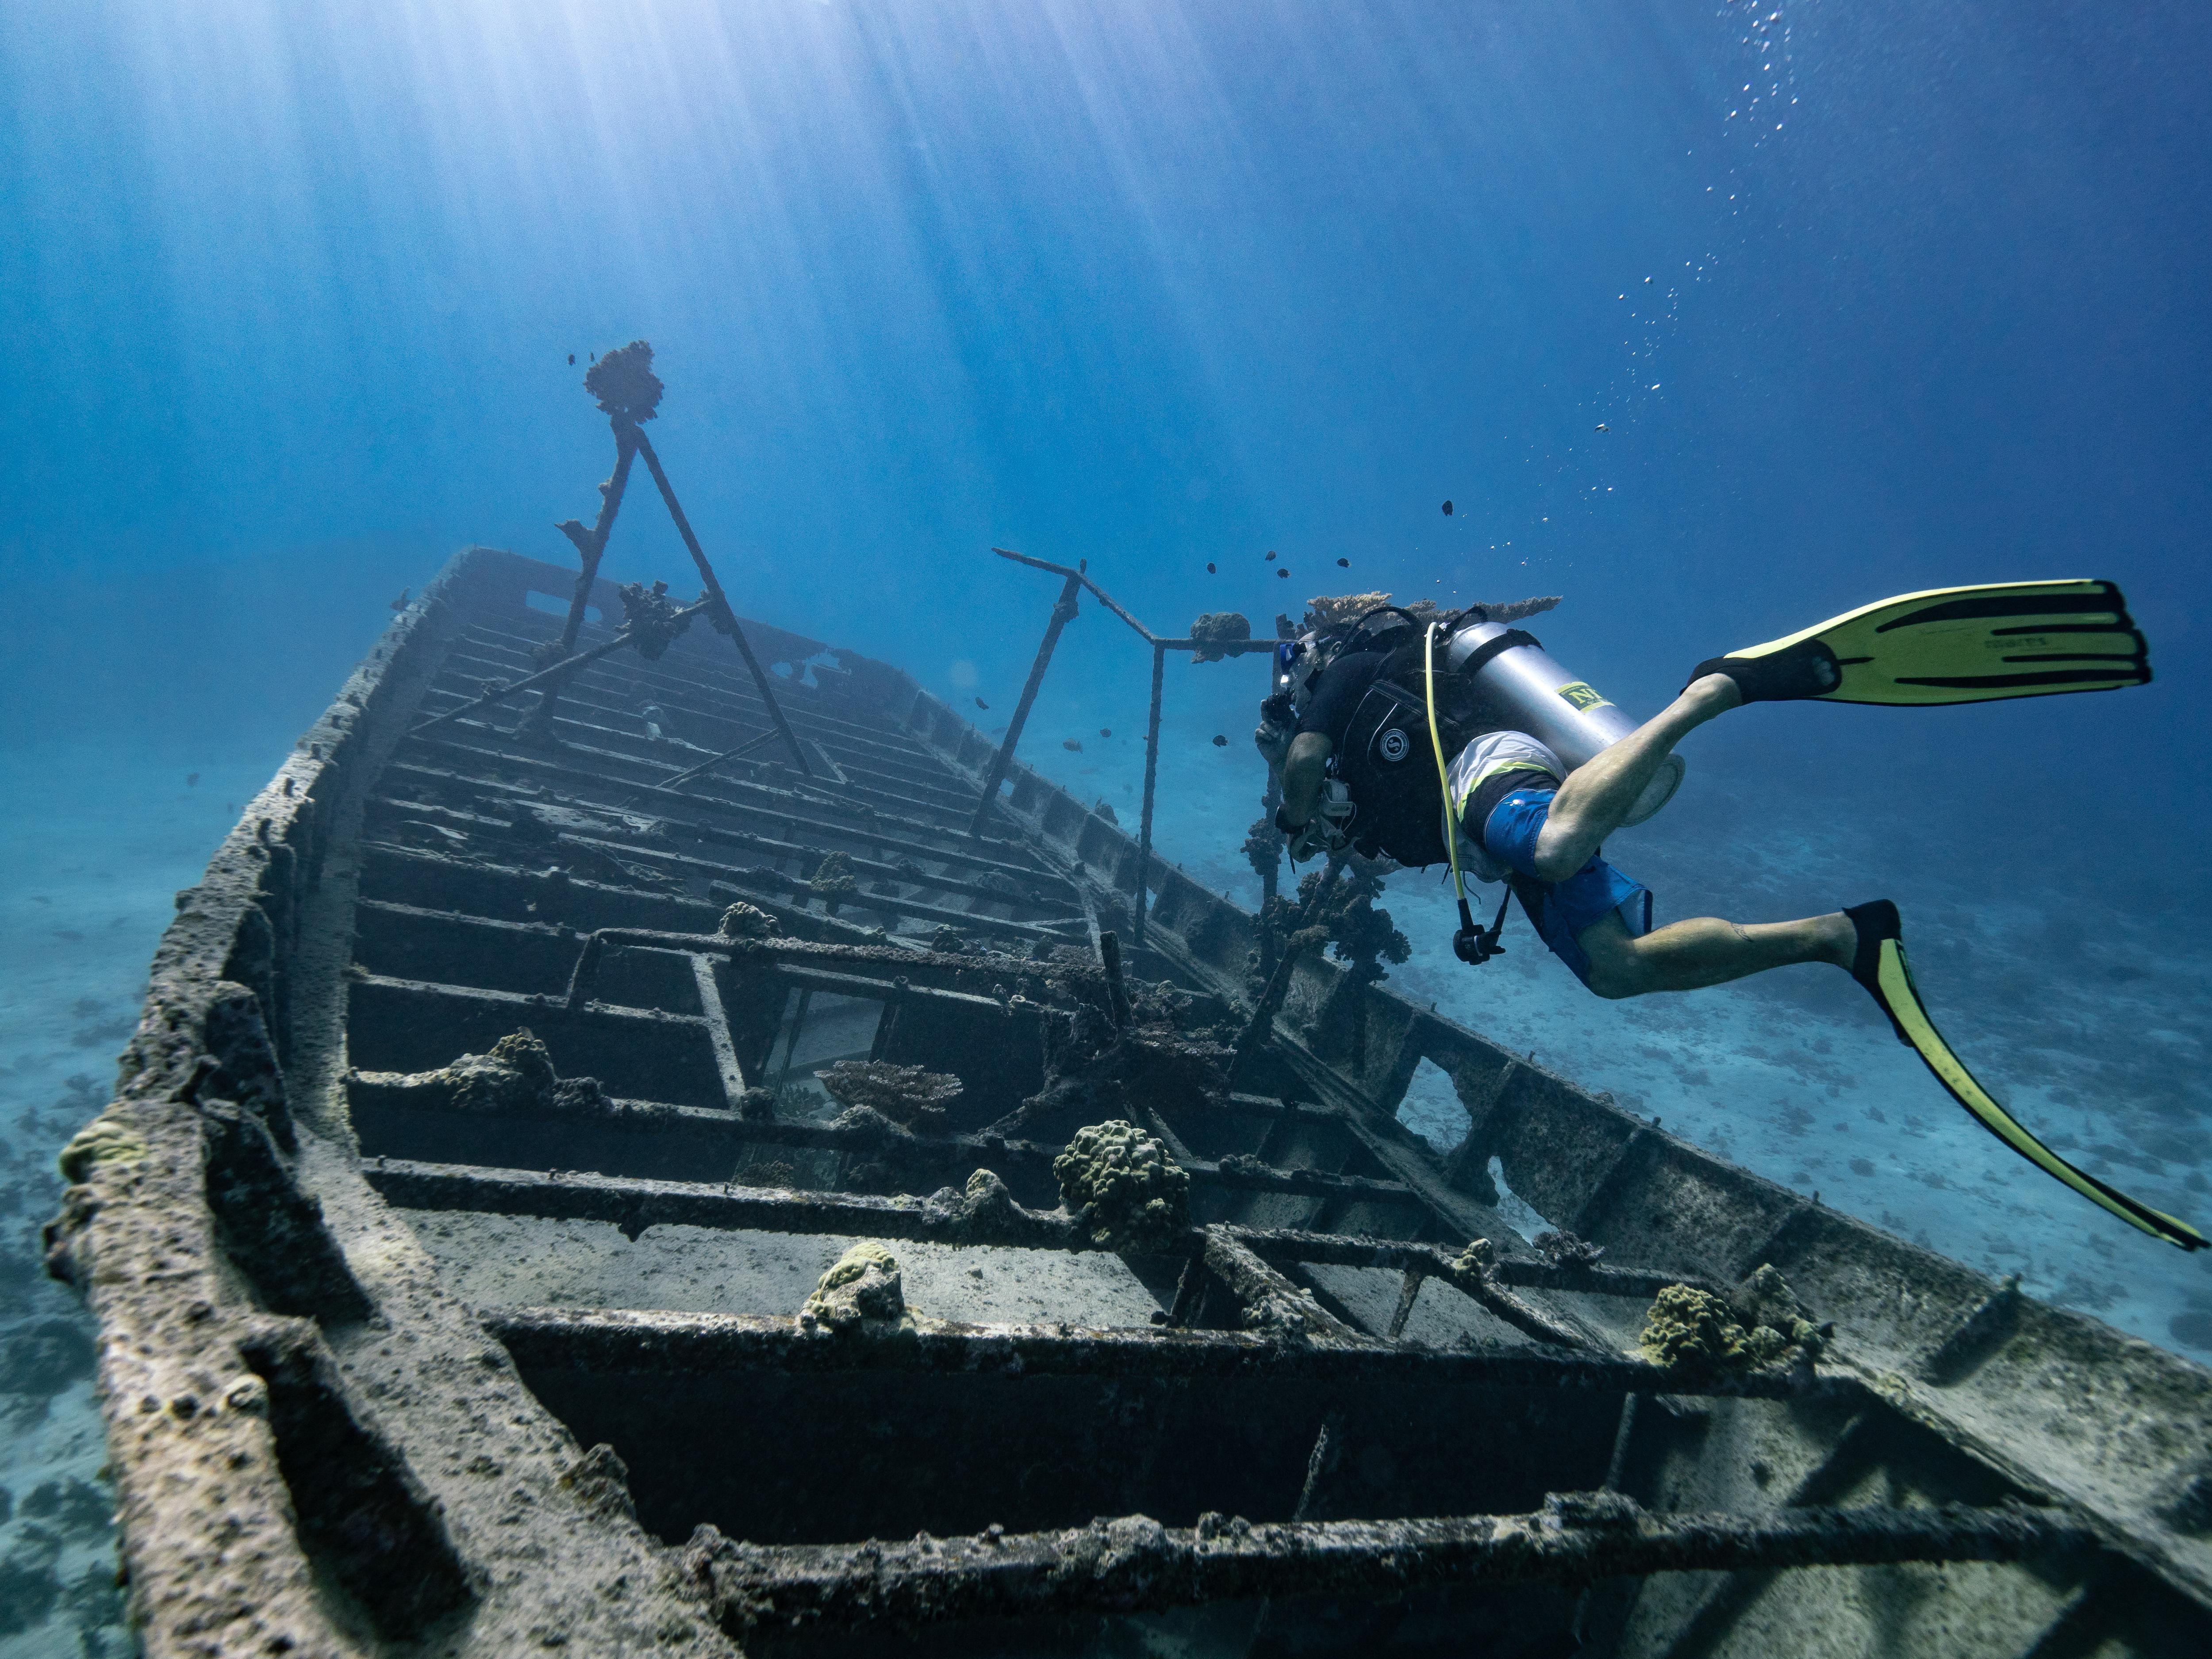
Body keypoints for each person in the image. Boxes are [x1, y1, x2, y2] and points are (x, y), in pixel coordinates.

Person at [1254, 586, 2202, 1250]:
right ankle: (1842, 936)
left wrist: (1293, 815)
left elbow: (1301, 768)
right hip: (1487, 814)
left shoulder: (1341, 679)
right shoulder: (1369, 680)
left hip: (1494, 768)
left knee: (1552, 850)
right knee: (1616, 968)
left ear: (1306, 659)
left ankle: (1721, 689)